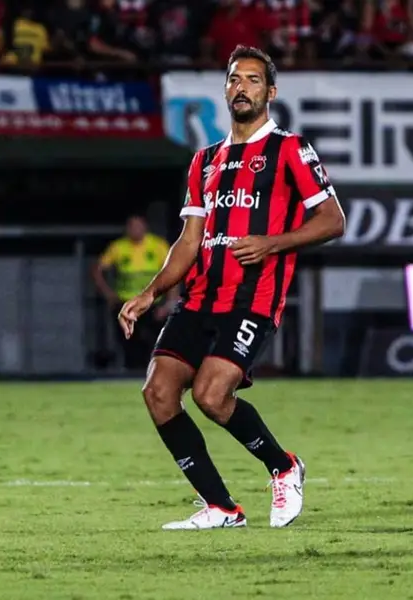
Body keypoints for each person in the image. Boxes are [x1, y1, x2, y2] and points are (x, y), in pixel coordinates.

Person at [118, 45, 346, 530]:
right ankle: (221, 507)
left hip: (252, 300)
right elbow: (189, 239)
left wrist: (271, 243)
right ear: (225, 89)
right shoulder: (204, 161)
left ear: (271, 91)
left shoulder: (290, 149)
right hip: (199, 298)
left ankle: (284, 467)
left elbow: (333, 220)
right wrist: (150, 292)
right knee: (158, 393)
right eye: (234, 79)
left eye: (252, 80)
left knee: (211, 396)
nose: (241, 87)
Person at [93, 215, 174, 371]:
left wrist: (169, 302)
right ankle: (130, 374)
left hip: (153, 304)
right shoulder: (118, 247)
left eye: (139, 226)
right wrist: (108, 294)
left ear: (145, 227)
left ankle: (154, 373)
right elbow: (97, 270)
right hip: (127, 304)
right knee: (129, 343)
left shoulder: (158, 246)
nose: (136, 230)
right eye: (132, 226)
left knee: (155, 342)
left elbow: (171, 273)